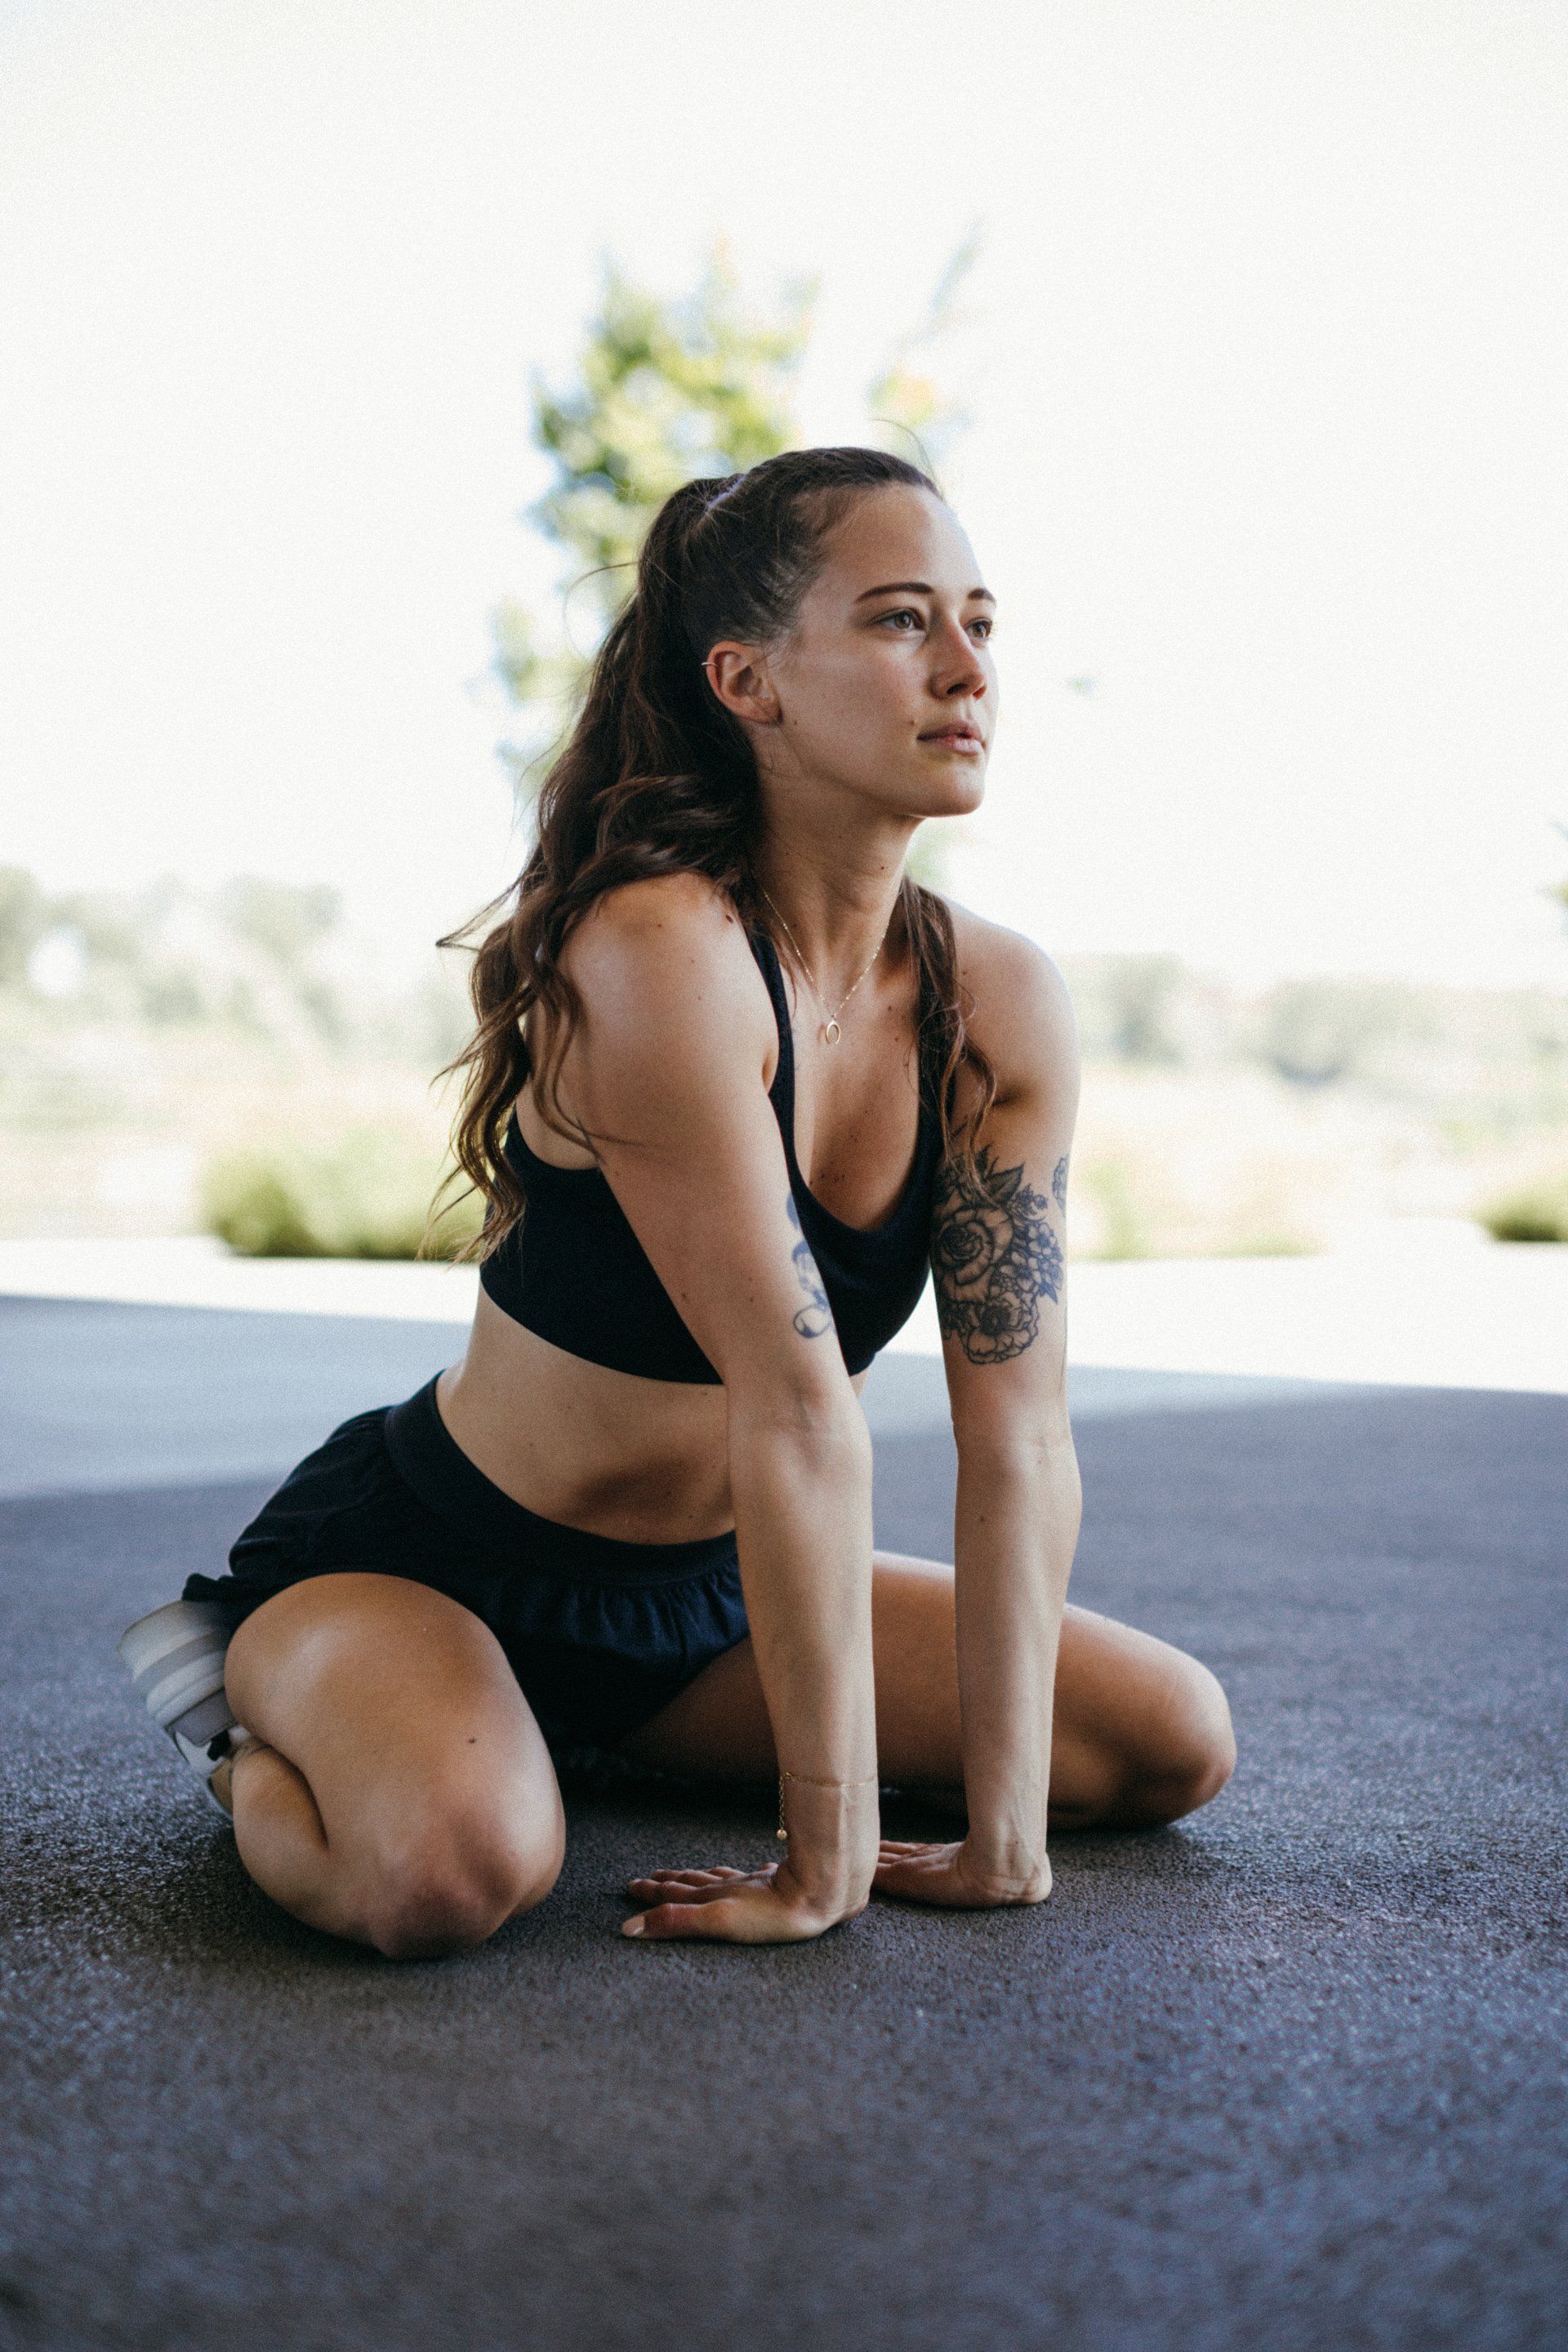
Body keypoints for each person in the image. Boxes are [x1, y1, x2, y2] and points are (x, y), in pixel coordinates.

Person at [118, 446, 1235, 1961]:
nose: (968, 666)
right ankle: (247, 1711)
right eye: (905, 621)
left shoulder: (997, 1003)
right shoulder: (660, 952)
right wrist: (820, 1862)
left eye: (982, 621)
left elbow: (1019, 1433)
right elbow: (793, 1404)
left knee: (1168, 1740)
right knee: (442, 1879)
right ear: (749, 681)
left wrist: (1005, 1840)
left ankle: (556, 1738)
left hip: (704, 1607)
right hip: (437, 1559)